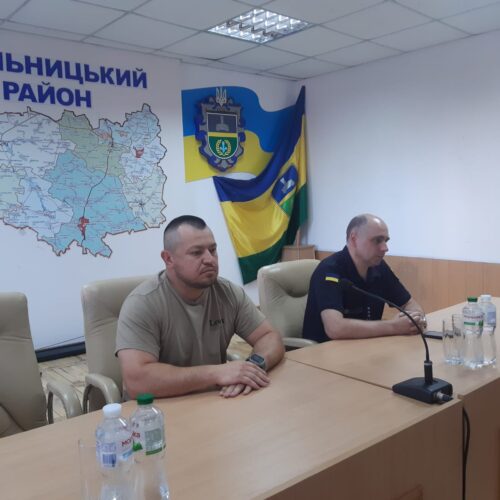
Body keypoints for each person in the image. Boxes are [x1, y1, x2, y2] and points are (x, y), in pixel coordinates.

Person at [116, 215, 284, 399]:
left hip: (215, 400)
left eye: (213, 250)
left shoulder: (228, 292)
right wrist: (215, 373)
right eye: (197, 253)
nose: (210, 259)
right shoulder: (142, 303)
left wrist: (253, 366)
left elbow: (269, 336)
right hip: (157, 407)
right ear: (168, 259)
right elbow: (137, 382)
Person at [303, 214, 425, 343]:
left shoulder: (379, 267)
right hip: (324, 351)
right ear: (354, 239)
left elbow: (409, 304)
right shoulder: (329, 270)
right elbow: (335, 328)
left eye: (386, 241)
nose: (385, 248)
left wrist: (416, 319)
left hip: (366, 345)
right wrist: (394, 327)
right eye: (377, 240)